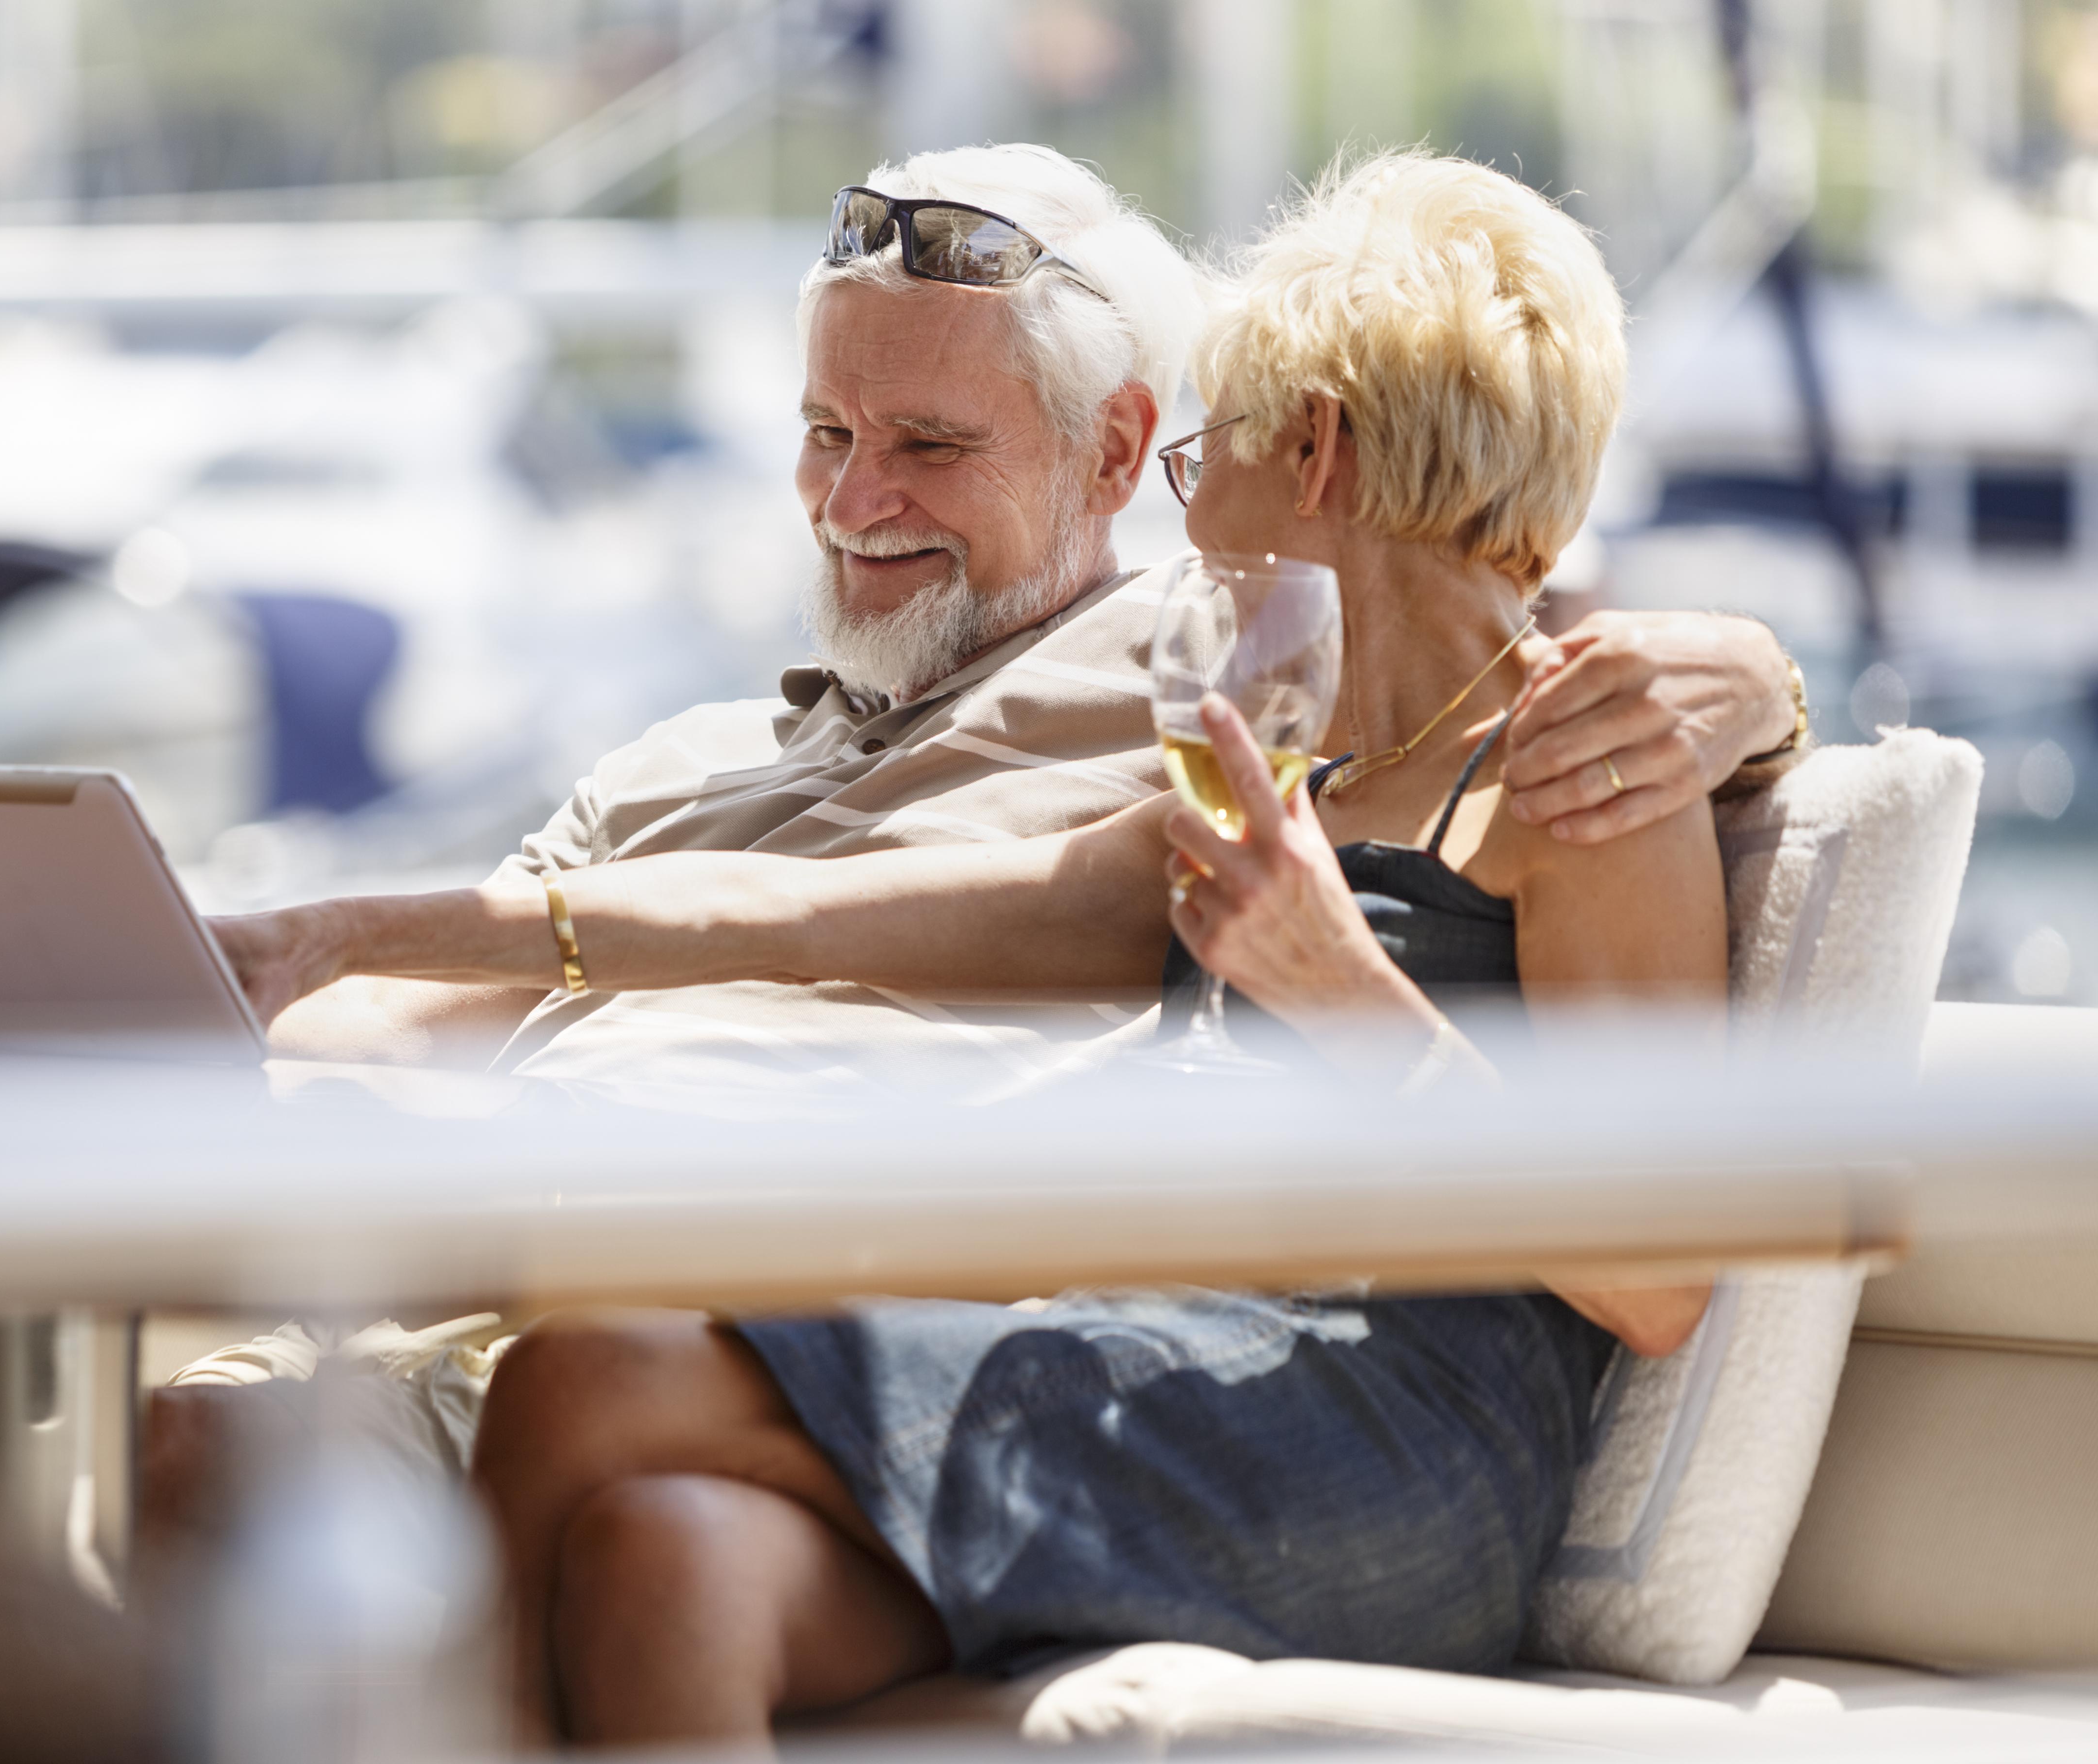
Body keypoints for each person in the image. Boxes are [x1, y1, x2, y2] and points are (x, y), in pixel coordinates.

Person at [96, 149, 1733, 1751]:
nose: (1189, 510)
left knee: (588, 1377)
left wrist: (1342, 990)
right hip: (1167, 1344)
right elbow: (805, 913)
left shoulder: (1583, 766)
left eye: (1201, 455)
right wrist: (336, 933)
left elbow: (1658, 1279)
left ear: (1309, 452)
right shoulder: (1276, 762)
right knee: (663, 1558)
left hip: (1385, 1439)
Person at [0, 143, 1799, 1101]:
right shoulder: (679, 767)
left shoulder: (1202, 677)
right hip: (471, 1217)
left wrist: (1750, 681)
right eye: (825, 433)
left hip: (712, 1273)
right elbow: (429, 1005)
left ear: (1126, 452)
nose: (851, 502)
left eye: (929, 445)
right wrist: (91, 1025)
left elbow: (1491, 615)